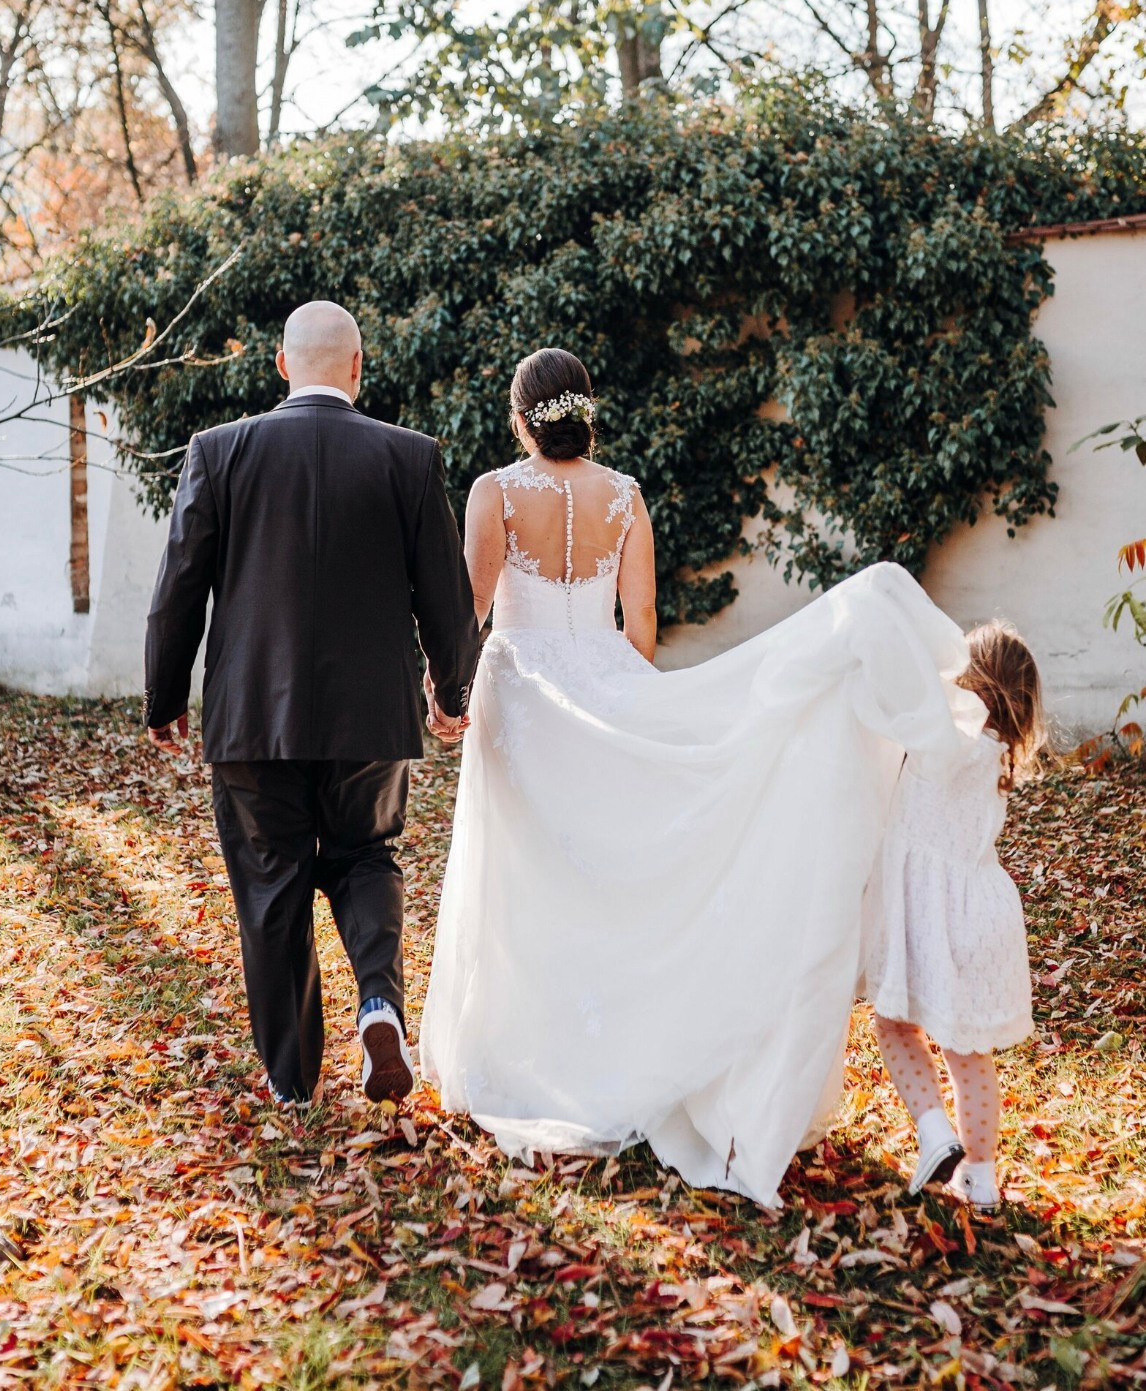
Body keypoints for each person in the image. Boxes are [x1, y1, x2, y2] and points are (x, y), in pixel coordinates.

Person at [419, 347, 983, 1206]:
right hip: (607, 688)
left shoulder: (496, 492)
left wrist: (445, 689)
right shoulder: (626, 497)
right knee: (612, 878)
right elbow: (639, 621)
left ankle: (530, 1053)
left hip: (522, 700)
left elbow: (473, 605)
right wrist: (620, 700)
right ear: (584, 410)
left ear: (520, 415)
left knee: (525, 880)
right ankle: (624, 1048)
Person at [143, 301, 479, 1106]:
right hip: (371, 716)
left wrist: (164, 693)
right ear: (358, 367)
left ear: (282, 364)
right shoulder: (408, 456)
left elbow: (179, 584)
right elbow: (447, 594)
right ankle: (378, 1005)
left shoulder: (219, 451)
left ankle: (292, 1081)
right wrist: (452, 690)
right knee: (365, 856)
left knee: (270, 884)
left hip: (252, 715)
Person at [862, 622, 1043, 1210]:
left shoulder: (940, 736)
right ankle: (982, 1176)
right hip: (978, 913)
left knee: (893, 1025)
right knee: (968, 1053)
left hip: (923, 907)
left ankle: (934, 1131)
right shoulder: (998, 756)